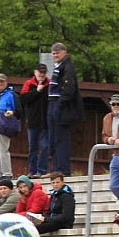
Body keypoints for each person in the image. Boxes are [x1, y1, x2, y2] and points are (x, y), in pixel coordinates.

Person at [47, 43, 84, 177]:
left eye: (58, 53)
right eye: (53, 53)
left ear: (64, 52)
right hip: (52, 103)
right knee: (53, 138)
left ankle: (63, 169)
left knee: (61, 138)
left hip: (58, 104)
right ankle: (55, 168)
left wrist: (61, 104)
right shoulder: (58, 67)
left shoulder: (67, 67)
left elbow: (69, 87)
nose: (55, 55)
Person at [0, 74, 21, 179]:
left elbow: (19, 111)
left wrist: (12, 113)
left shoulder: (11, 95)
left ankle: (7, 173)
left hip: (3, 125)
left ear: (6, 83)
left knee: (3, 150)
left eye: (1, 81)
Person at [20, 64, 50, 178]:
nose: (42, 74)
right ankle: (32, 170)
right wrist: (36, 91)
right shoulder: (28, 84)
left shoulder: (50, 84)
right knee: (32, 148)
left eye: (44, 72)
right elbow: (23, 99)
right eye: (40, 72)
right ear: (35, 72)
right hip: (32, 121)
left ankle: (42, 170)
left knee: (44, 147)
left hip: (46, 122)